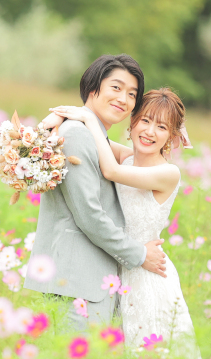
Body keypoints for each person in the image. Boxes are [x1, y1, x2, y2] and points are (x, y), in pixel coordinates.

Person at [50, 88, 204, 359]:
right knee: (111, 358)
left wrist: (87, 117)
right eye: (144, 120)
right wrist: (60, 120)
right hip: (115, 266)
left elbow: (111, 172)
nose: (149, 131)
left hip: (147, 276)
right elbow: (87, 139)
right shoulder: (125, 157)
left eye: (161, 127)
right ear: (132, 123)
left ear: (171, 136)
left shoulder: (168, 173)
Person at [23, 54, 167, 328]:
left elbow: (128, 160)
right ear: (92, 87)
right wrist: (140, 254)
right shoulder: (77, 135)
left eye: (132, 94)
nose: (123, 99)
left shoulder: (92, 136)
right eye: (116, 87)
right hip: (77, 282)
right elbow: (89, 214)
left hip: (87, 281)